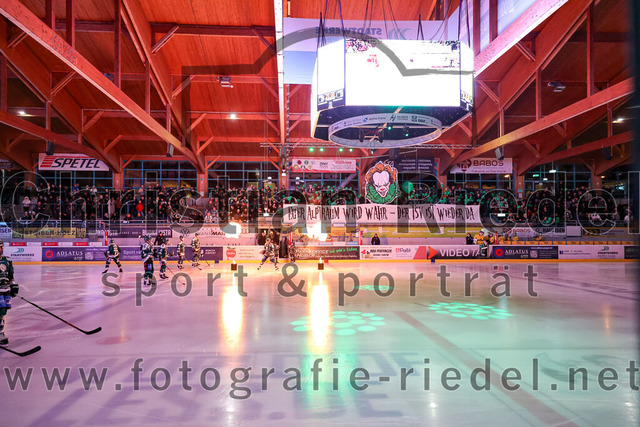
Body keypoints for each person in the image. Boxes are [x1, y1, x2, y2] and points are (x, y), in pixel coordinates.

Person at [0, 241, 18, 345]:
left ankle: (1, 332)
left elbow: (11, 276)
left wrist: (14, 285)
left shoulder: (7, 260)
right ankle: (1, 333)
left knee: (3, 312)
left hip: (5, 290)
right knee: (1, 310)